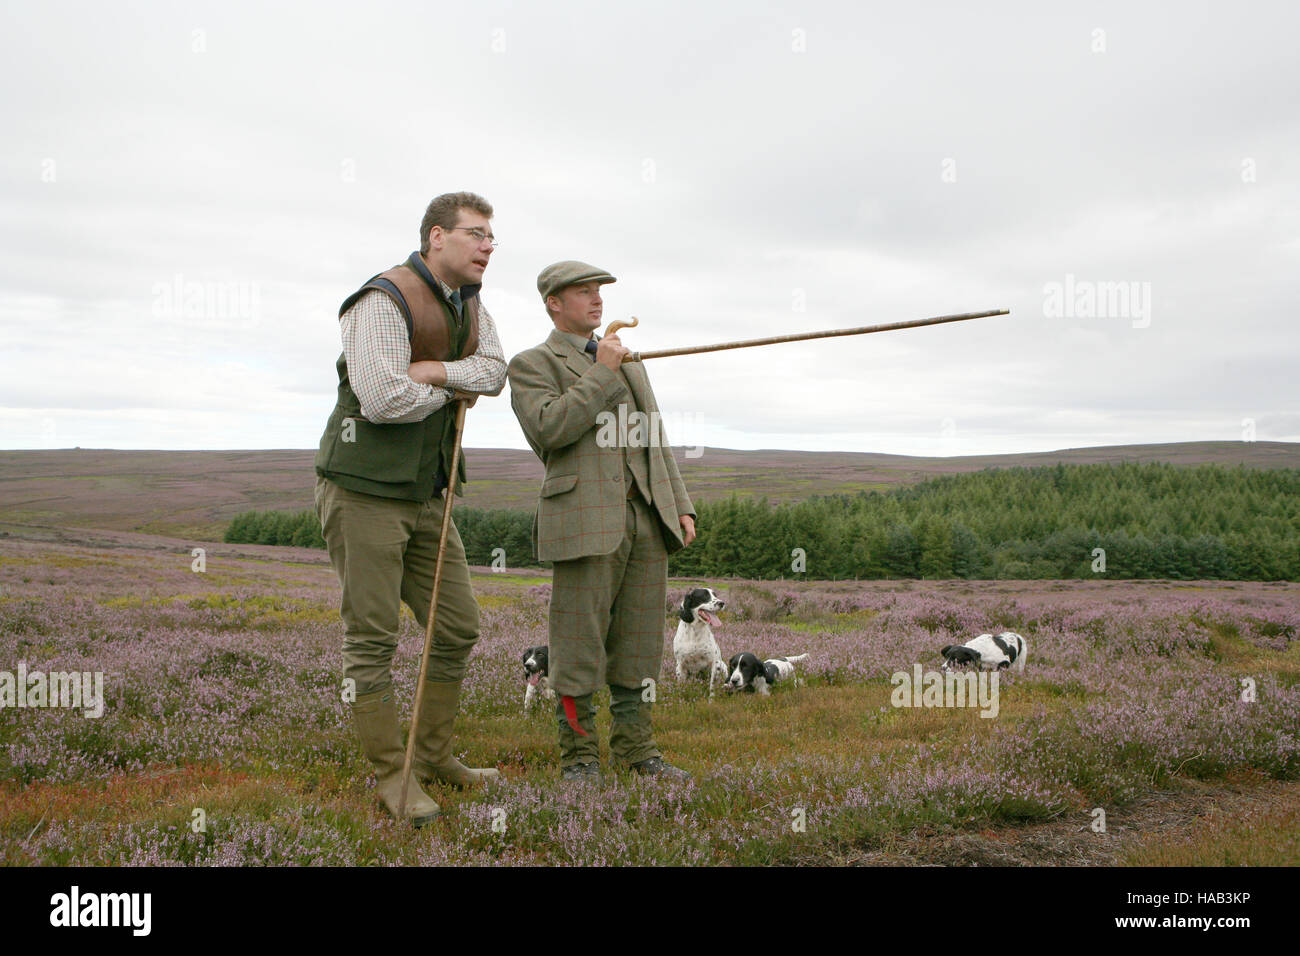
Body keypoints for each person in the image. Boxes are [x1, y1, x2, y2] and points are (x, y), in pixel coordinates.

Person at [313, 191, 506, 825]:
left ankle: (434, 758)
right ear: (435, 238)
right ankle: (391, 777)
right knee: (372, 638)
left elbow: (494, 371)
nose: (488, 246)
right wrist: (449, 378)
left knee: (456, 626)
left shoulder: (471, 306)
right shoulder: (381, 299)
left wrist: (433, 372)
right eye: (475, 234)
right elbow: (380, 399)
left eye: (490, 236)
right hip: (364, 491)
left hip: (430, 494)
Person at [508, 260, 696, 782]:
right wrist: (602, 371)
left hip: (645, 520)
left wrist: (679, 503)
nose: (597, 301)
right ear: (553, 303)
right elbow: (551, 428)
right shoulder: (531, 363)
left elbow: (654, 437)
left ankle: (639, 754)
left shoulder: (631, 363)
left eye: (599, 292)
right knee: (576, 647)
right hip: (582, 522)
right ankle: (581, 759)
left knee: (638, 645)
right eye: (584, 293)